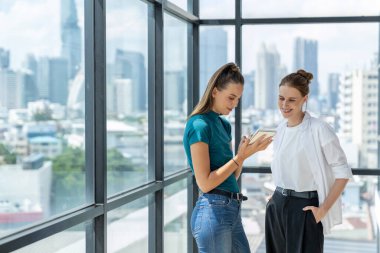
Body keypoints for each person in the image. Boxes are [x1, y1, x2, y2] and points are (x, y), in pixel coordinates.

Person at [183, 62, 272, 253]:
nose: (234, 104)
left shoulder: (224, 126)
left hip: (232, 209)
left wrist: (246, 154)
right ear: (215, 92)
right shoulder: (199, 125)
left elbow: (232, 175)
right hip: (212, 212)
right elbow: (205, 183)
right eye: (231, 98)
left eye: (238, 99)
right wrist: (239, 157)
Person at [265, 69, 353, 253]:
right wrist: (274, 199)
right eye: (281, 98)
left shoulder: (320, 129)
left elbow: (343, 173)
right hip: (277, 206)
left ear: (305, 99)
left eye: (292, 100)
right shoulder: (280, 128)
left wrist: (322, 210)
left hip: (304, 209)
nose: (284, 105)